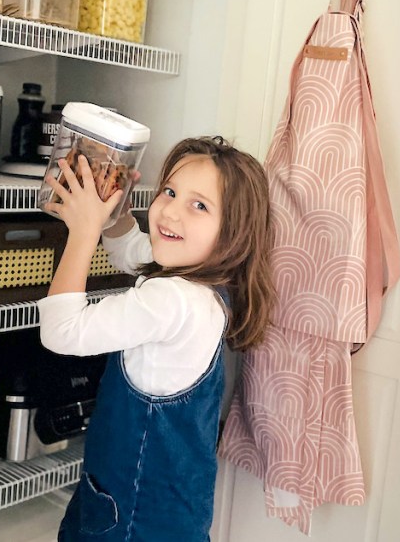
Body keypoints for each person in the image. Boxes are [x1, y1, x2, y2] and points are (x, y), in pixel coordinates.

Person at [37, 136, 276, 542]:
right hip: (168, 513)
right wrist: (114, 216)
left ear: (232, 233)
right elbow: (134, 249)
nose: (170, 211)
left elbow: (61, 332)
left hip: (132, 520)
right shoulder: (205, 282)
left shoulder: (174, 300)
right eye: (169, 191)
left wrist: (84, 230)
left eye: (198, 205)